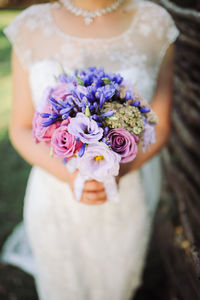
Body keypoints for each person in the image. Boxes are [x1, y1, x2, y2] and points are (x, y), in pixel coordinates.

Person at [1, 0, 179, 299]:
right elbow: (19, 127)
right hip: (56, 194)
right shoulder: (31, 26)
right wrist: (73, 176)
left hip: (125, 196)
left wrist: (118, 169)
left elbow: (159, 126)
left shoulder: (155, 23)